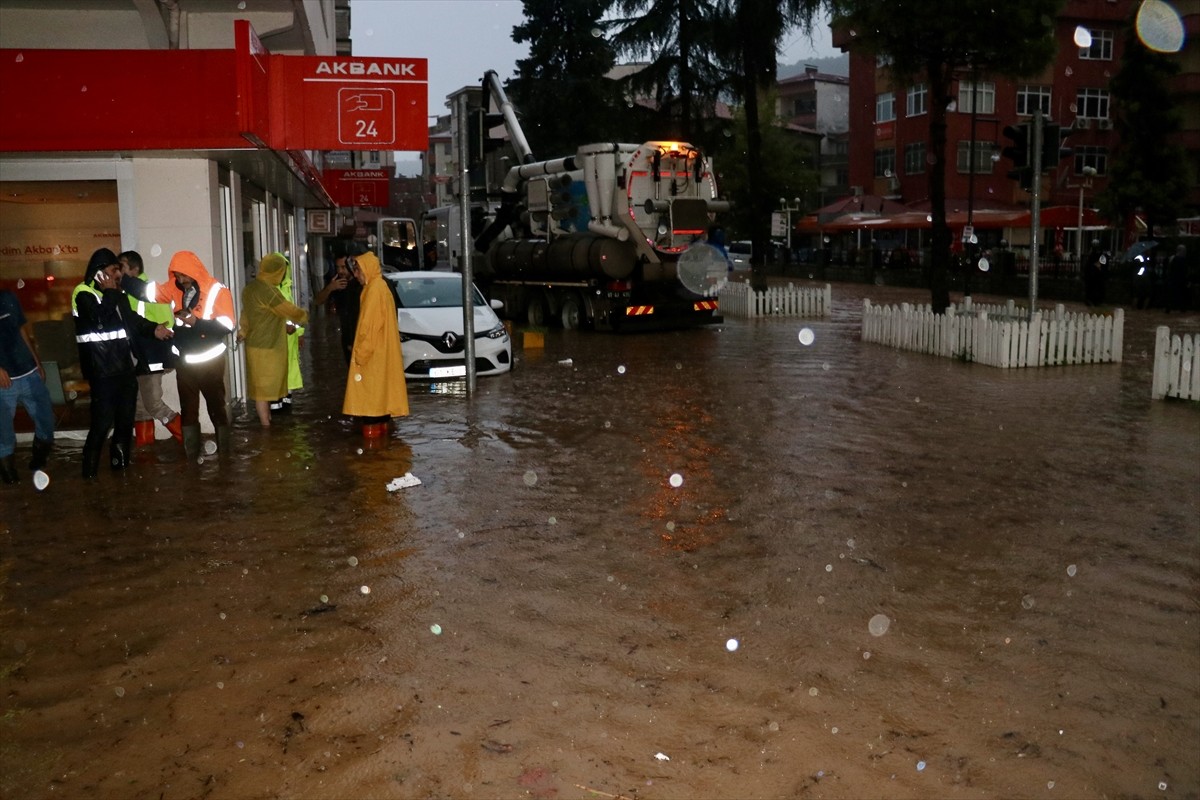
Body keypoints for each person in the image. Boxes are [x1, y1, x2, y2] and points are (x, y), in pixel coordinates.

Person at [73, 248, 172, 478]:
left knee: (125, 423)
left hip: (125, 369)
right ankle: (89, 475)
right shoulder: (83, 293)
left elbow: (132, 320)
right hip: (102, 372)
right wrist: (110, 293)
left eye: (117, 270)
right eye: (112, 270)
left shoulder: (115, 292)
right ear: (99, 273)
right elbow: (99, 320)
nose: (117, 275)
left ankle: (121, 470)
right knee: (101, 424)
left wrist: (153, 329)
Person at [147, 251, 237, 458]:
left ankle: (225, 453)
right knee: (188, 411)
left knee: (216, 408)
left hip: (210, 363)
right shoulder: (173, 287)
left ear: (194, 272)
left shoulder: (217, 290)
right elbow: (151, 293)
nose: (181, 281)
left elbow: (227, 325)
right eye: (177, 276)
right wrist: (126, 279)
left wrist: (196, 323)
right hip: (185, 363)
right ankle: (191, 457)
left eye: (184, 276)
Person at [118, 250, 182, 446]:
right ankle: (146, 450)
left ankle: (187, 438)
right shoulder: (131, 292)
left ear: (134, 269)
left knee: (152, 404)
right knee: (140, 406)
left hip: (151, 358)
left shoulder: (145, 291)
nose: (117, 272)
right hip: (141, 358)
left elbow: (159, 327)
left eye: (122, 267)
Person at [342, 251, 408, 438]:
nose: (356, 275)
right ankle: (382, 456)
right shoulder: (382, 287)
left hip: (373, 359)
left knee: (370, 410)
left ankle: (372, 458)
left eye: (358, 271)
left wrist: (360, 356)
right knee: (381, 411)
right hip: (382, 356)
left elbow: (368, 329)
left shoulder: (373, 290)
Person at [239, 252, 308, 427]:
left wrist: (243, 332)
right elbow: (289, 311)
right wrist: (305, 315)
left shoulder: (250, 289)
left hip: (253, 345)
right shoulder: (270, 292)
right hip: (269, 348)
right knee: (267, 391)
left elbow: (245, 315)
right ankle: (266, 426)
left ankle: (266, 426)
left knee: (260, 389)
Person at [0, 289, 55, 485]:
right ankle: (8, 473)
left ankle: (38, 461)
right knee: (4, 432)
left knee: (46, 421)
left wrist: (36, 361)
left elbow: (21, 329)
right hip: (4, 381)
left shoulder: (8, 297)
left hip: (28, 372)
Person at [313, 249, 361, 364]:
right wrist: (330, 288)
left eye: (343, 267)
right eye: (338, 267)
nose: (340, 271)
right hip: (346, 333)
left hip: (359, 332)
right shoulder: (335, 283)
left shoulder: (359, 283)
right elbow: (317, 301)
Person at [272, 264, 304, 415]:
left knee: (287, 384)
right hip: (275, 343)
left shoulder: (286, 290)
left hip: (289, 343)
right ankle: (275, 420)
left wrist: (299, 333)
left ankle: (285, 413)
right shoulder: (269, 291)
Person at [1164, 245, 1189, 313]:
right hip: (1176, 279)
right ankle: (1176, 308)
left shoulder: (1173, 258)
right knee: (1177, 294)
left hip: (1175, 279)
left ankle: (1175, 308)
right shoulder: (1178, 259)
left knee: (1176, 294)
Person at [1082, 240, 1106, 306]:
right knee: (1092, 289)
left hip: (1097, 276)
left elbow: (1103, 265)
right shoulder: (1093, 256)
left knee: (1096, 289)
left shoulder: (1100, 255)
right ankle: (1092, 301)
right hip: (1093, 276)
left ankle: (1096, 301)